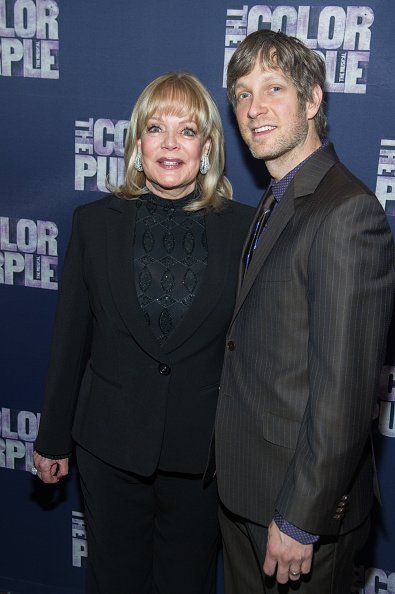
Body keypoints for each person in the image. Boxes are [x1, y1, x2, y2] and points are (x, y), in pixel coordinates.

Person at [32, 71, 254, 594]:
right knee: (113, 580)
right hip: (108, 446)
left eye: (188, 129)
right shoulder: (93, 223)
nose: (171, 142)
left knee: (187, 582)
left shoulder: (245, 228)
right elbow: (70, 340)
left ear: (208, 145)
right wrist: (51, 437)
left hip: (202, 454)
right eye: (156, 128)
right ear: (137, 144)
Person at [213, 30, 395, 593]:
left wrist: (300, 518)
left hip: (297, 516)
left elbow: (343, 392)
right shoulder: (275, 198)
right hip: (247, 492)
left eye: (273, 89)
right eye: (242, 94)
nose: (254, 108)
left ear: (313, 100)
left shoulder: (348, 213)